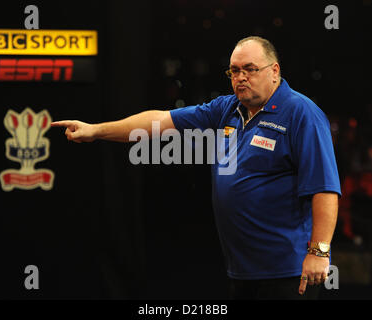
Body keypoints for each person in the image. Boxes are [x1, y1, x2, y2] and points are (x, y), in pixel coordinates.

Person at [51, 36, 341, 300]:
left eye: (249, 69)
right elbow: (159, 122)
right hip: (241, 270)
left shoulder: (302, 114)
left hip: (287, 272)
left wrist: (319, 251)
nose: (240, 78)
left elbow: (325, 187)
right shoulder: (227, 109)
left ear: (274, 71)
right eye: (234, 71)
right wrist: (96, 130)